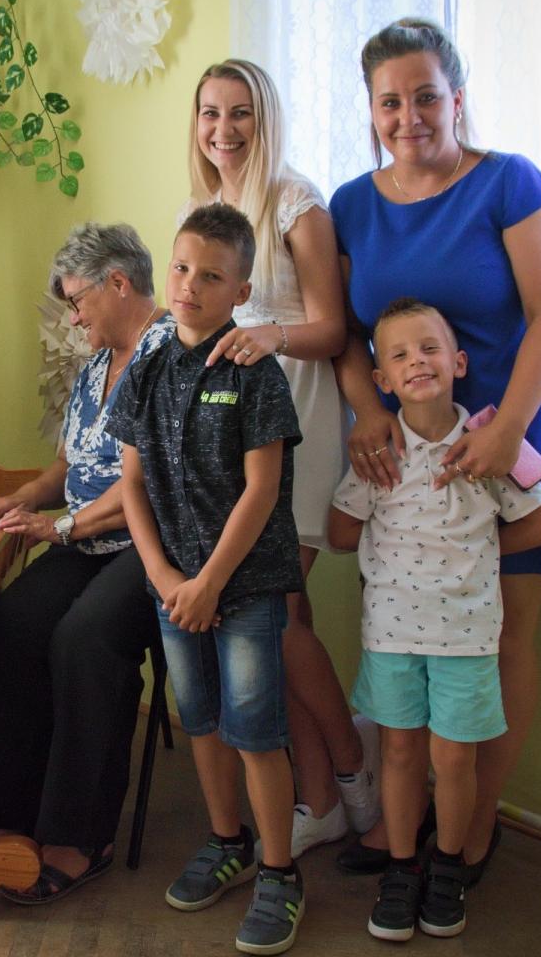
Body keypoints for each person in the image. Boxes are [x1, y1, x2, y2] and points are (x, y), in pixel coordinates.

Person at [329, 17, 541, 877]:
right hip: (410, 447)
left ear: (456, 99)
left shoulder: (508, 182)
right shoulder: (351, 205)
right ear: (371, 109)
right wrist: (366, 411)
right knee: (406, 632)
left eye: (425, 96)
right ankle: (409, 811)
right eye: (389, 102)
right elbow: (346, 334)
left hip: (515, 432)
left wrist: (507, 430)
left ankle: (474, 822)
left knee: (493, 638)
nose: (407, 116)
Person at [181, 60, 380, 858]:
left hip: (298, 415)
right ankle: (319, 795)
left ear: (265, 121)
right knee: (272, 624)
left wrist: (268, 334)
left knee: (281, 616)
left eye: (240, 113)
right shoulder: (203, 212)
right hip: (231, 431)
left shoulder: (297, 204)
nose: (223, 129)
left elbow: (333, 329)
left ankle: (350, 764)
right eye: (210, 113)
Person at [328, 299, 541, 941]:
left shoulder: (490, 440)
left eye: (429, 348)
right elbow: (342, 533)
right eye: (399, 355)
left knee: (455, 759)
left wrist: (472, 549)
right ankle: (402, 869)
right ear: (381, 379)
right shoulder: (377, 454)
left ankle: (448, 869)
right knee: (401, 751)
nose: (417, 362)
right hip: (392, 635)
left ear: (458, 362)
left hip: (467, 636)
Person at [110, 204, 305, 956]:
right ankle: (228, 841)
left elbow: (261, 491)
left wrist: (210, 583)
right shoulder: (148, 367)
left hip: (243, 587)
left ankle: (280, 872)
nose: (190, 285)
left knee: (255, 730)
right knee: (200, 720)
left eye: (212, 276)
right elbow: (132, 484)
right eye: (182, 268)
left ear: (241, 292)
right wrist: (165, 576)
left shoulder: (255, 376)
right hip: (174, 589)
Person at [0, 223, 175, 904]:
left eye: (78, 300)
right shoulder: (93, 366)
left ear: (119, 283)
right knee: (13, 621)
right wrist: (22, 499)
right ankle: (11, 814)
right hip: (80, 537)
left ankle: (82, 835)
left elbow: (150, 484)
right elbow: (68, 465)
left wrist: (57, 527)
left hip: (151, 545)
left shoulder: (172, 355)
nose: (74, 317)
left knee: (85, 637)